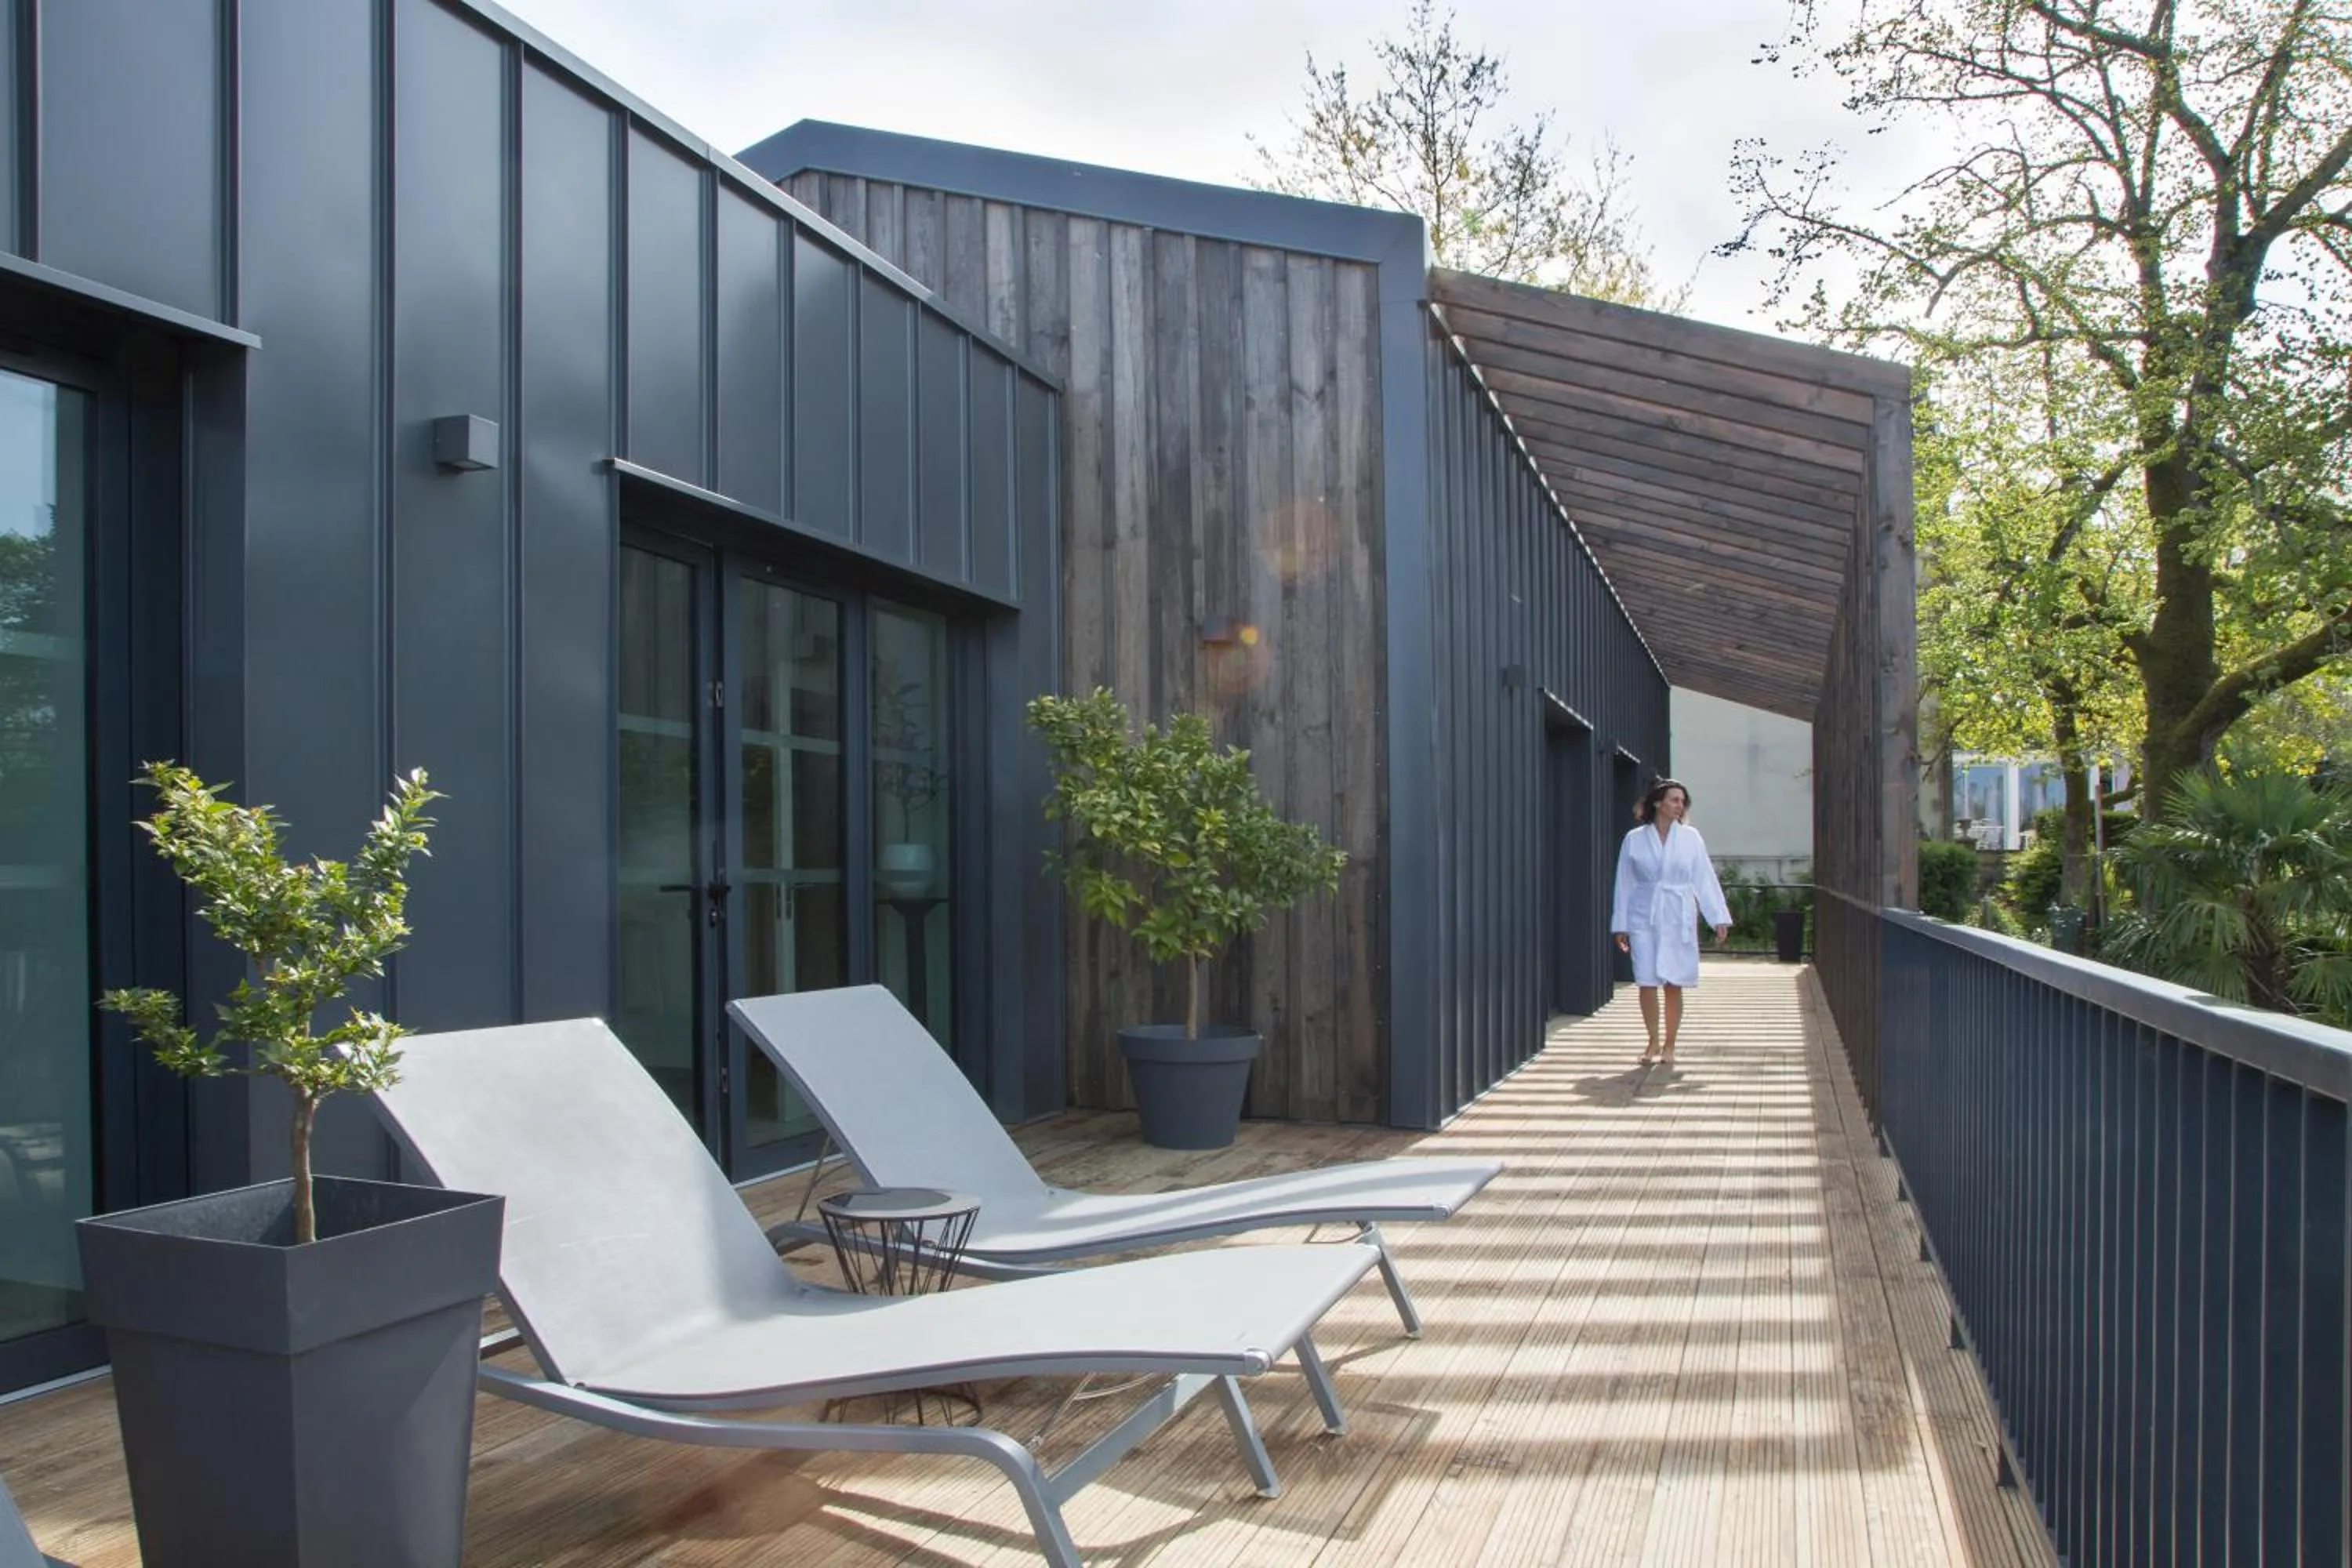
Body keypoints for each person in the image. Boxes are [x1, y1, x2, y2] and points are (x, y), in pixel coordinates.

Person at [1608, 776, 1731, 1068]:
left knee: (1674, 981)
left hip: (1677, 914)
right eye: (1674, 800)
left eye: (1682, 801)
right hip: (1644, 914)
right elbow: (1624, 882)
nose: (1680, 805)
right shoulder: (1635, 839)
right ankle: (1652, 1040)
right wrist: (1621, 923)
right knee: (1646, 979)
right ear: (1657, 803)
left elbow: (1704, 878)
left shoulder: (1690, 838)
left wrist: (1718, 917)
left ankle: (1670, 1044)